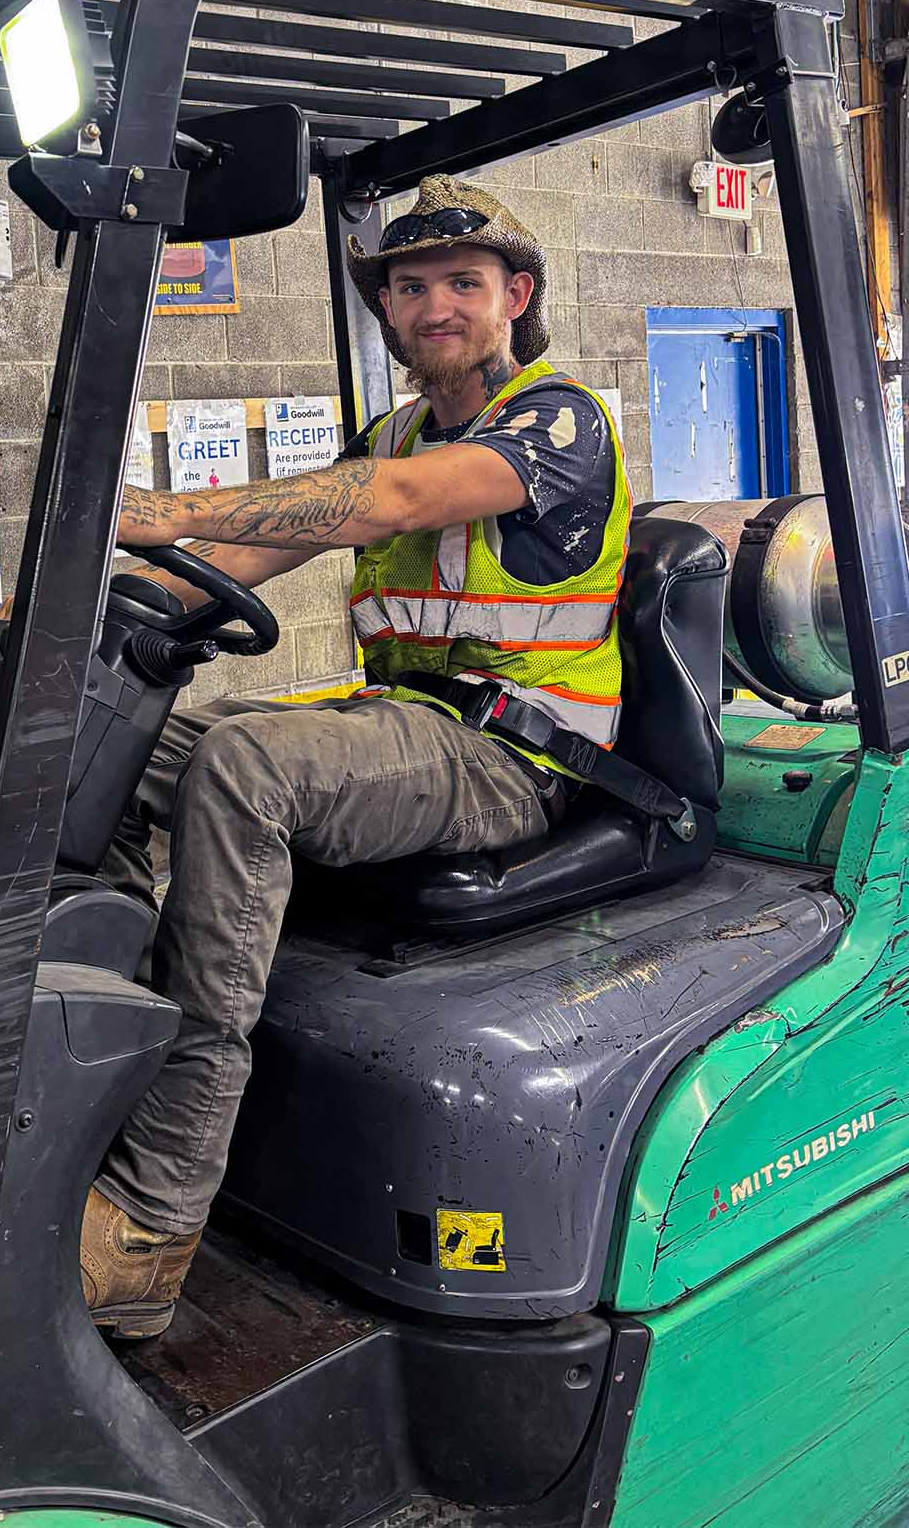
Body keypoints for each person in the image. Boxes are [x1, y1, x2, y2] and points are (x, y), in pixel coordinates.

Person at [77, 175, 631, 1338]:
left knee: (249, 769)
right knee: (124, 739)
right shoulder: (390, 429)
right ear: (387, 311)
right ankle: (90, 1065)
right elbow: (260, 553)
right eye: (411, 286)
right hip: (402, 732)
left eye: (462, 285)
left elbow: (391, 502)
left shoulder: (558, 419)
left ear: (514, 297)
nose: (435, 306)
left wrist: (164, 511)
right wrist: (126, 615)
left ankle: (155, 1216)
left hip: (512, 756)